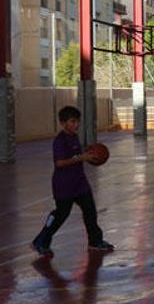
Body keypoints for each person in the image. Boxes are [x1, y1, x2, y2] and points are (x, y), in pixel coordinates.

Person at [31, 106, 115, 257]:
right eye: (73, 121)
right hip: (64, 185)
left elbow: (76, 156)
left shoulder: (74, 137)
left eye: (78, 121)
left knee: (90, 212)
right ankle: (41, 241)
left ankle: (95, 242)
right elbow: (60, 163)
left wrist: (87, 155)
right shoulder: (59, 141)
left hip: (80, 184)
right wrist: (82, 158)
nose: (76, 124)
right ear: (63, 123)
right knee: (60, 215)